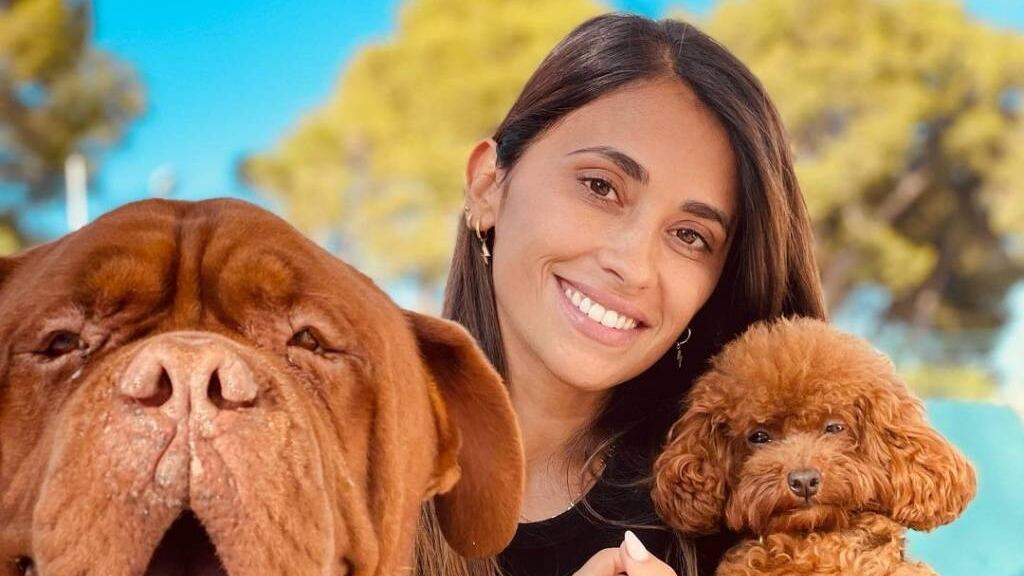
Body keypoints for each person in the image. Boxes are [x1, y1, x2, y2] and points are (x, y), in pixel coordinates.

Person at [415, 12, 826, 576]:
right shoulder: (330, 456)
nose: (632, 266)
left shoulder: (757, 512)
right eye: (600, 186)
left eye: (690, 236)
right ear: (489, 184)